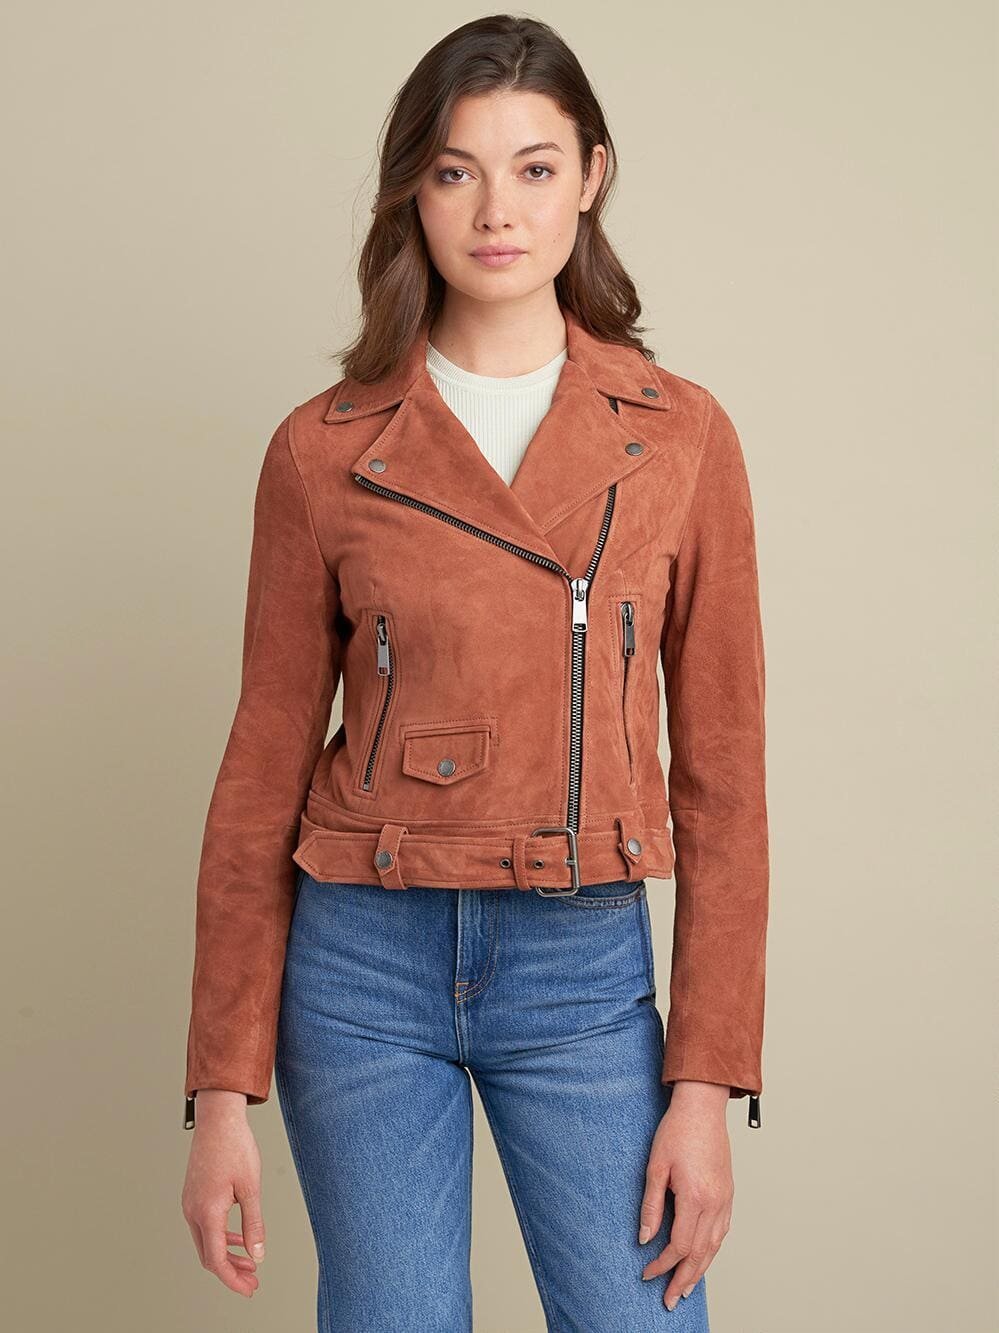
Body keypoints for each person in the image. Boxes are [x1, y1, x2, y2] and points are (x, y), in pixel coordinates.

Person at [180, 14, 769, 1331]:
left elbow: (726, 784)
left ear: (592, 176)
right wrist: (220, 1091)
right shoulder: (322, 451)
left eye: (535, 167)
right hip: (359, 966)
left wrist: (706, 1081)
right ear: (413, 189)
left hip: (582, 965)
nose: (497, 210)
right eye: (456, 171)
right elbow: (260, 774)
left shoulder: (680, 439)